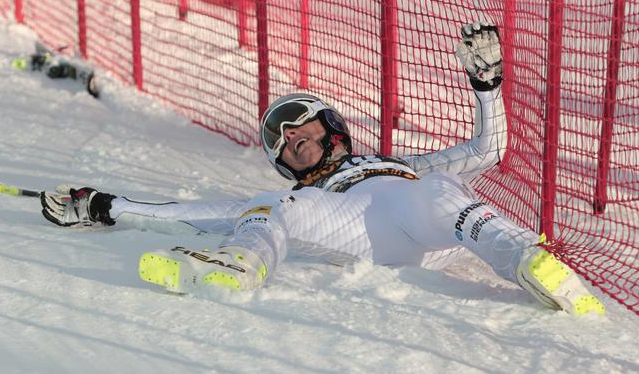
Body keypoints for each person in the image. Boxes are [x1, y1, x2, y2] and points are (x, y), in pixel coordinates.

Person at [40, 22, 605, 315]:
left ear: (330, 125)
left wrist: (487, 88)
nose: (289, 139)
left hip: (420, 208)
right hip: (356, 225)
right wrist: (109, 206)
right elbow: (202, 211)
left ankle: (528, 262)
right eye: (279, 141)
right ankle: (239, 264)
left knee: (439, 186)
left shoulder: (401, 165)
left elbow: (490, 149)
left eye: (296, 125)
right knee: (271, 209)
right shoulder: (310, 194)